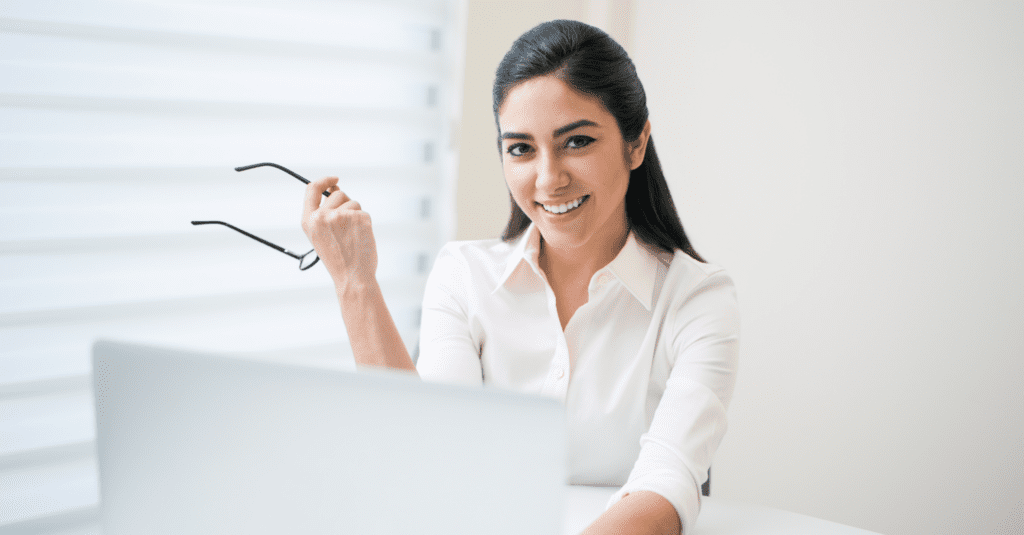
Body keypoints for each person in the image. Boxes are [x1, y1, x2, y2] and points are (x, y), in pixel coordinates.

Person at [301, 19, 739, 535]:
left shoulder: (698, 299)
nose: (549, 178)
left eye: (577, 141)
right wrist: (355, 280)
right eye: (521, 148)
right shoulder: (463, 276)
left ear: (636, 143)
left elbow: (665, 485)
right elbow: (425, 455)